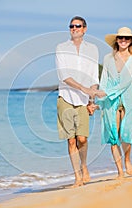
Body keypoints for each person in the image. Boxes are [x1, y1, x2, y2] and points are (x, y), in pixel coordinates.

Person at [56, 16, 102, 187]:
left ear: (85, 29)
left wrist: (91, 99)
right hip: (65, 97)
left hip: (83, 100)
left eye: (78, 26)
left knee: (82, 138)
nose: (74, 28)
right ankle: (77, 176)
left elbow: (93, 77)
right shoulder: (61, 48)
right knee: (71, 140)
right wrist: (84, 89)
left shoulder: (93, 49)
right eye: (71, 26)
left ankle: (84, 165)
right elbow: (64, 75)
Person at [96, 27, 132, 179]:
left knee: (126, 133)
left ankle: (128, 160)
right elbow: (104, 78)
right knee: (113, 134)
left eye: (127, 38)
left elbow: (125, 82)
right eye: (120, 38)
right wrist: (100, 98)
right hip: (110, 100)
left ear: (131, 41)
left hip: (127, 97)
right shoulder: (108, 58)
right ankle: (120, 171)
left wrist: (106, 92)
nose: (123, 41)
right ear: (116, 40)